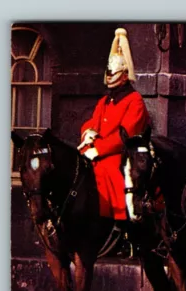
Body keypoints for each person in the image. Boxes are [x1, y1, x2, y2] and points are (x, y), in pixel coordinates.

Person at [78, 28, 149, 228]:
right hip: (99, 149)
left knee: (109, 170)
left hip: (123, 152)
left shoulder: (135, 101)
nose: (110, 77)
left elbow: (126, 134)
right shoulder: (105, 100)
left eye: (114, 73)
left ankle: (118, 221)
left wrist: (99, 149)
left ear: (125, 75)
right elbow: (93, 122)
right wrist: (88, 133)